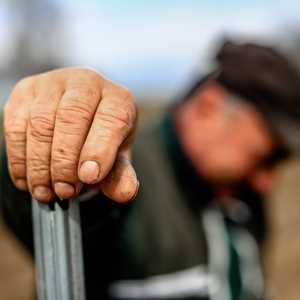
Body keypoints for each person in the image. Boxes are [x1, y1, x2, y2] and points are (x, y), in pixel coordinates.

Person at [1, 40, 300, 300]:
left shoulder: (243, 196)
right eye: (266, 156)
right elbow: (39, 195)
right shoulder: (123, 173)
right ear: (208, 107)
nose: (266, 181)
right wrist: (55, 137)